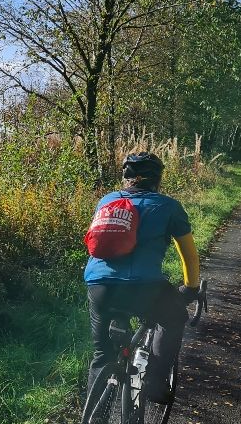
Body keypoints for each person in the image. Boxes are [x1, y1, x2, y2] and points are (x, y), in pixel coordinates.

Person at [84, 152, 201, 403]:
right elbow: (189, 256)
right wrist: (191, 288)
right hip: (144, 287)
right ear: (157, 179)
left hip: (99, 285)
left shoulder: (106, 200)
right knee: (175, 316)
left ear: (126, 178)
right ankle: (155, 383)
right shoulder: (169, 206)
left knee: (102, 354)